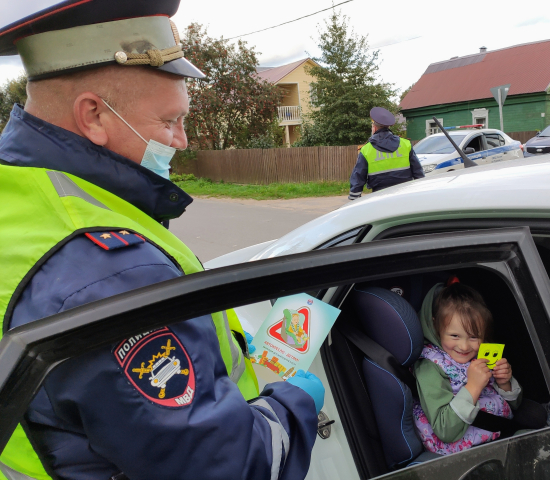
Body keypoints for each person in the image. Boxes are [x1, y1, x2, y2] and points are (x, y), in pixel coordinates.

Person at [0, 1, 323, 479]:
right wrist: (296, 399)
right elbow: (229, 469)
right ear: (93, 116)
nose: (183, 140)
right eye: (170, 121)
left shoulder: (21, 197)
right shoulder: (112, 273)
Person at [412, 280, 523, 456]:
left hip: (498, 435)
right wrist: (473, 386)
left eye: (473, 337)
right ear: (435, 326)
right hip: (462, 452)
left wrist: (504, 384)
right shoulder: (429, 367)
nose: (464, 347)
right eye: (454, 335)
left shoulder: (482, 355)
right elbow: (445, 430)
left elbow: (512, 406)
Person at [347, 107, 425, 200]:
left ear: (374, 128)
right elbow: (418, 172)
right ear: (388, 127)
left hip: (380, 198)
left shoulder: (366, 150)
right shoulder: (405, 144)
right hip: (404, 196)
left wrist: (354, 197)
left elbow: (358, 177)